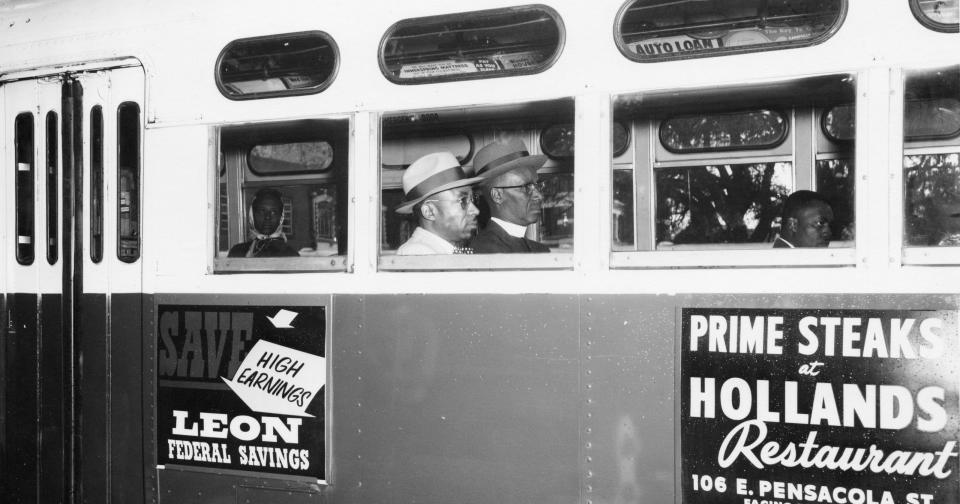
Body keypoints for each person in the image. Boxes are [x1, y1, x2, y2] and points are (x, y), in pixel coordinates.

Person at [470, 139, 551, 253]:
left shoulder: (540, 250)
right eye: (526, 187)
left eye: (537, 186)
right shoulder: (484, 252)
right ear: (497, 195)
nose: (539, 195)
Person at [395, 151, 482, 255]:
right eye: (463, 201)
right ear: (429, 212)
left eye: (473, 199)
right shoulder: (418, 253)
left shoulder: (446, 250)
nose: (475, 211)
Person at [228, 188, 299, 257]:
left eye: (273, 212)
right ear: (252, 215)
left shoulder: (290, 255)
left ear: (281, 217)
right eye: (262, 211)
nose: (267, 217)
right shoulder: (237, 251)